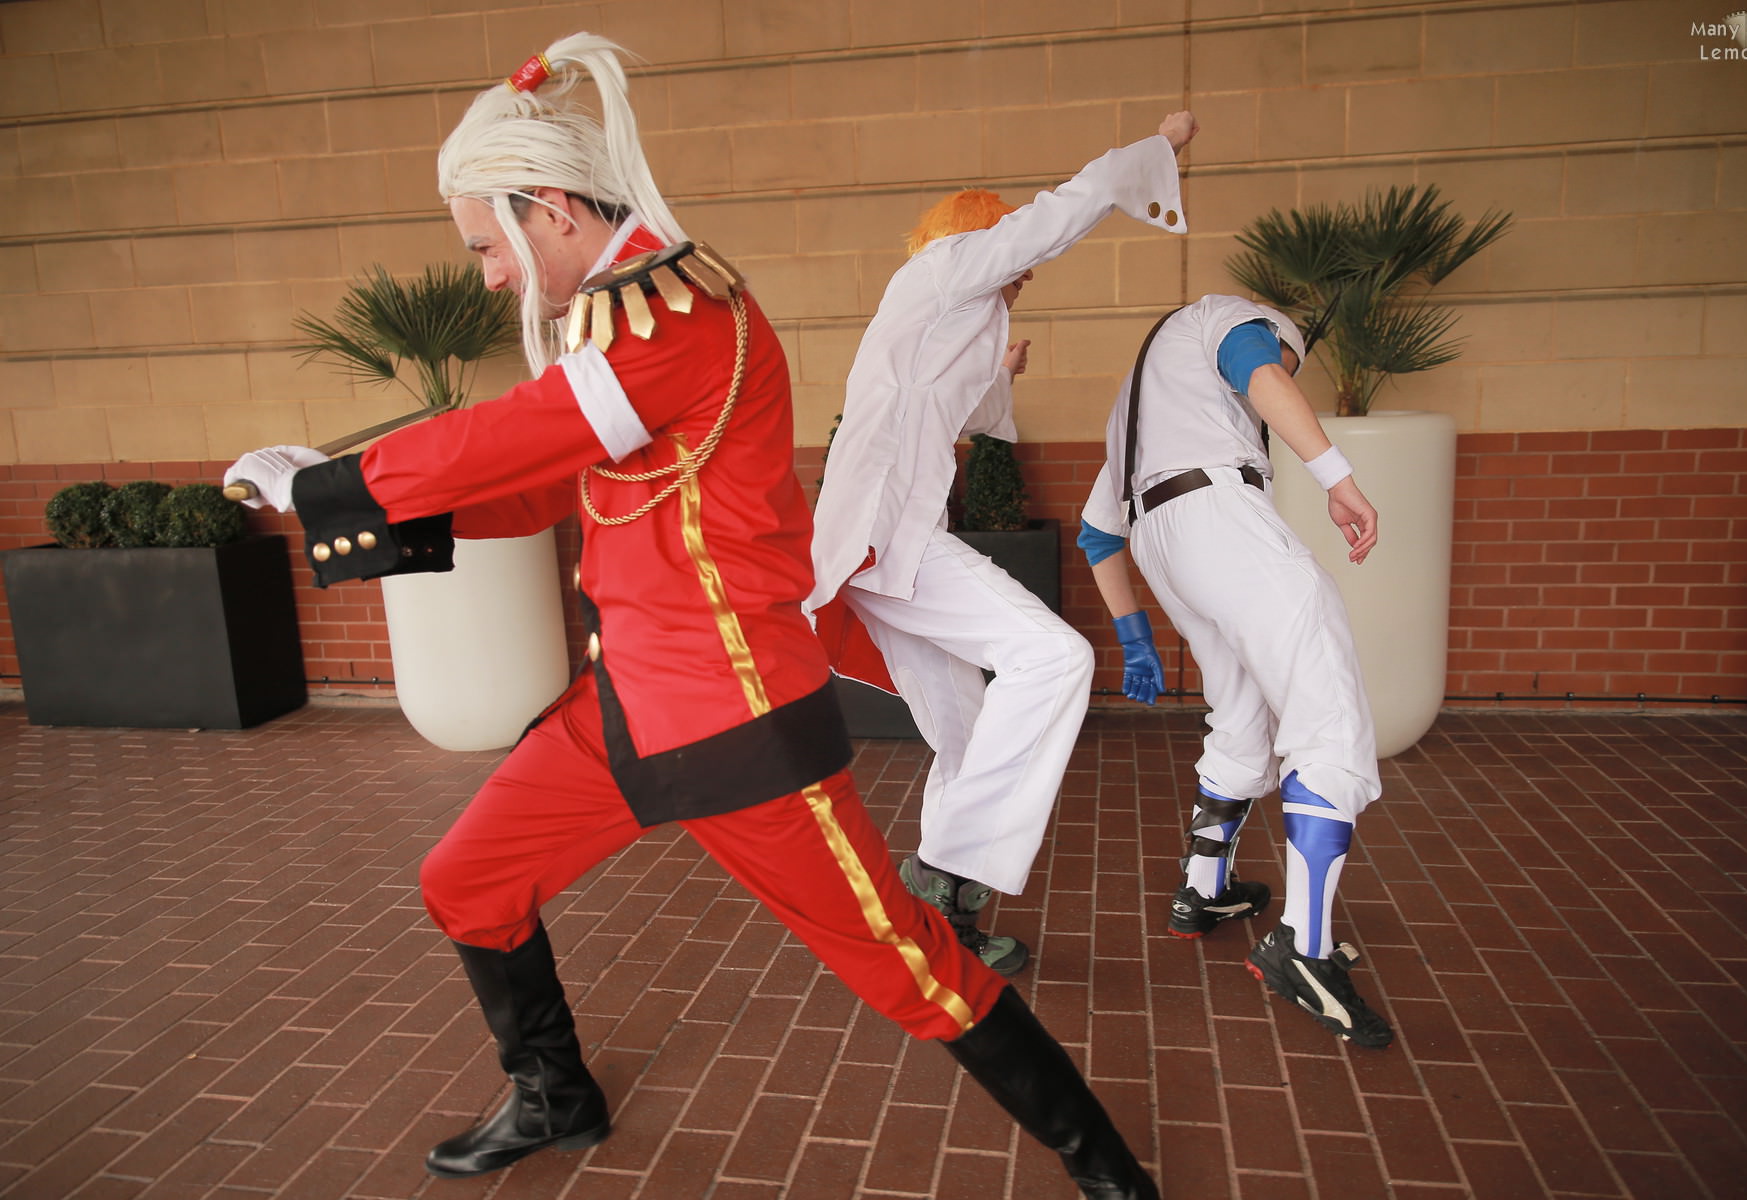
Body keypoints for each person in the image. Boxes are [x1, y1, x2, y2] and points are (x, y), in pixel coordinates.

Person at [224, 33, 1162, 1197]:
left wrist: (332, 487)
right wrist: (354, 499)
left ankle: (1108, 1170)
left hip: (734, 721)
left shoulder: (678, 313)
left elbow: (510, 438)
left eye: (488, 246)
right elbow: (534, 488)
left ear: (550, 210)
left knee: (909, 969)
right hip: (626, 708)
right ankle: (554, 1094)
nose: (492, 277)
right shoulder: (623, 319)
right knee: (467, 881)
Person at [808, 113, 1199, 975]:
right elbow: (1058, 215)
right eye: (1011, 256)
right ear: (979, 239)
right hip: (888, 543)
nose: (1022, 273)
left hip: (877, 550)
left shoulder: (950, 314)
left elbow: (976, 414)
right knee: (1056, 659)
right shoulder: (947, 268)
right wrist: (1156, 149)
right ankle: (941, 873)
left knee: (965, 735)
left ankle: (942, 926)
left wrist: (1003, 371)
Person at [1076, 294, 1394, 1049]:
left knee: (1242, 713)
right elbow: (1259, 371)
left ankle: (1204, 889)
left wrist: (1136, 638)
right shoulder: (1227, 319)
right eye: (1289, 357)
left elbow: (1097, 535)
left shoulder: (1142, 406)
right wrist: (1337, 478)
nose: (1282, 371)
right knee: (1326, 705)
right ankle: (1304, 950)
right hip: (1218, 513)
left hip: (1161, 538)